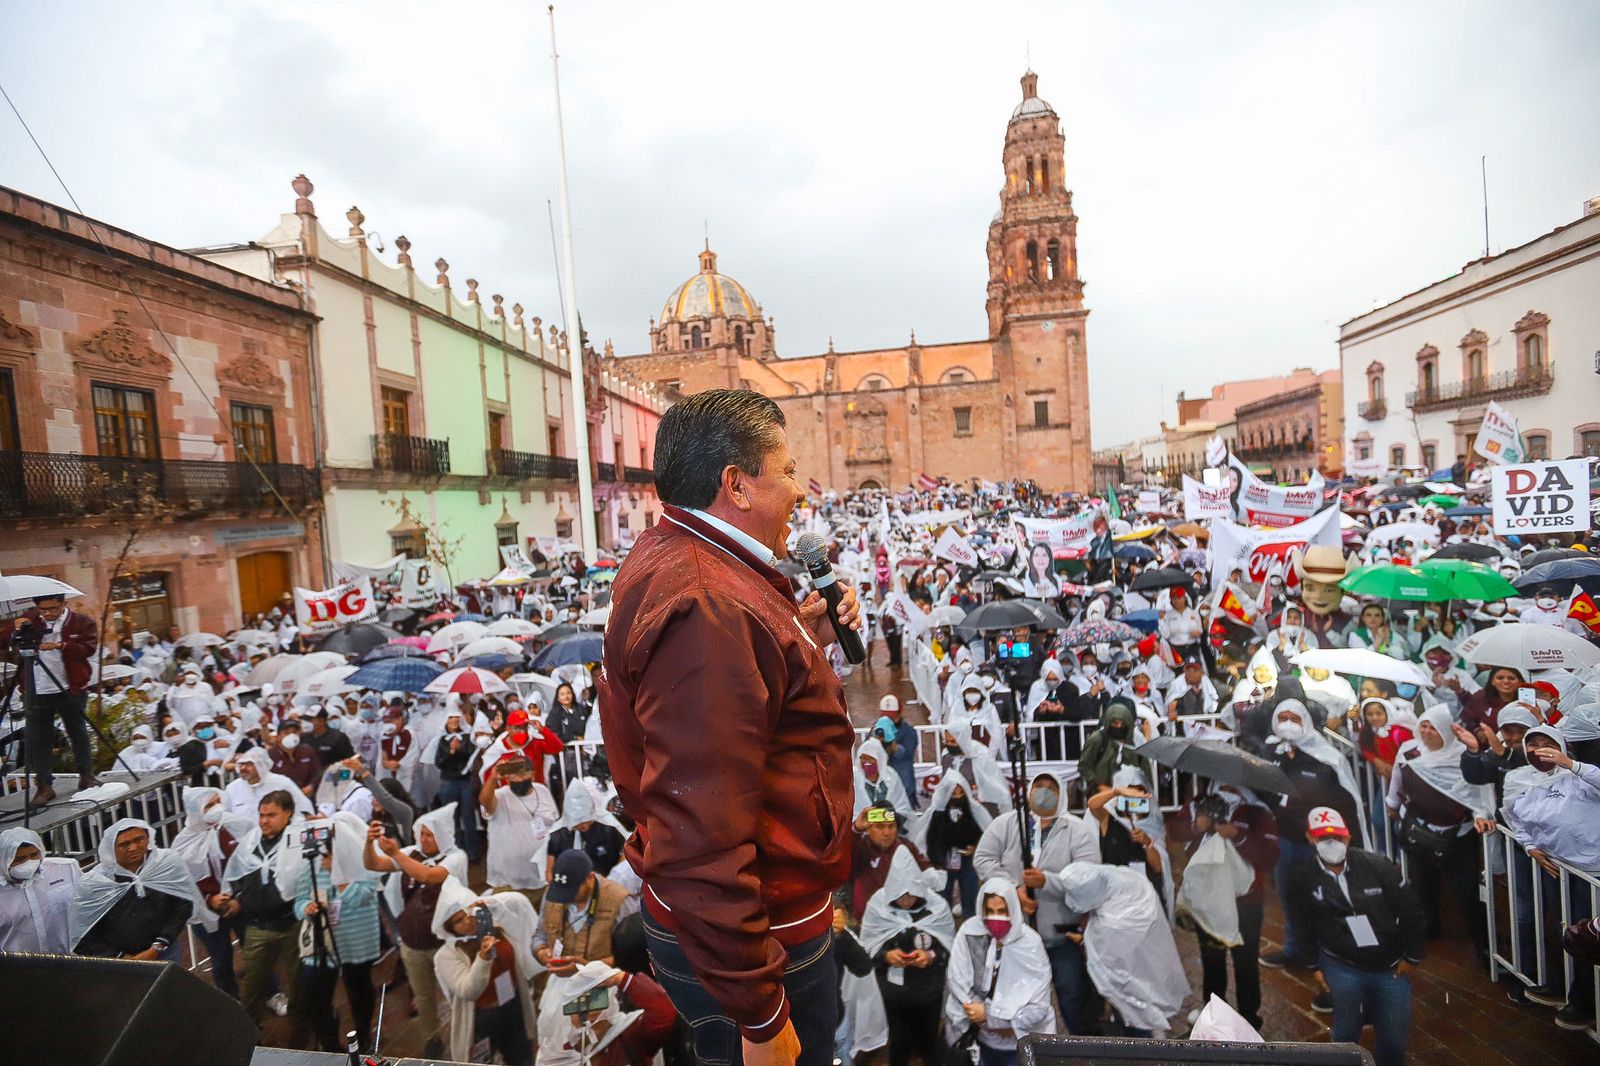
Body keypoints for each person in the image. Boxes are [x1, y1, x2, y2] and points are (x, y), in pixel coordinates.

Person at [600, 390, 860, 1065]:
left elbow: (733, 710)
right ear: (736, 485)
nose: (802, 491)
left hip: (747, 928)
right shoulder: (710, 604)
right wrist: (762, 1013)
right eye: (789, 470)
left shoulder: (690, 563)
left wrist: (805, 635)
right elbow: (701, 831)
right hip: (760, 944)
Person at [1286, 807, 1424, 1066]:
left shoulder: (1378, 866)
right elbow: (1301, 923)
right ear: (1309, 838)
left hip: (1390, 965)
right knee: (1346, 1035)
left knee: (1394, 1041)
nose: (1332, 844)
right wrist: (1312, 964)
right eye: (1323, 838)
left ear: (1348, 837)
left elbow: (1412, 912)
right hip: (1341, 965)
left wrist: (1413, 957)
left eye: (1338, 837)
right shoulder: (1301, 877)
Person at [972, 771, 1100, 1034]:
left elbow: (1089, 877)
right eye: (1038, 786)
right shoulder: (1007, 824)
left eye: (1050, 787)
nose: (1043, 791)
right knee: (1019, 999)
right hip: (1016, 938)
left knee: (1072, 995)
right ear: (1028, 791)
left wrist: (1047, 882)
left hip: (1061, 935)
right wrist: (1013, 887)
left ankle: (1081, 1046)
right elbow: (983, 858)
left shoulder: (1078, 830)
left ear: (1061, 793)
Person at [1501, 724, 1599, 1029]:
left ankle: (1584, 1004)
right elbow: (1514, 817)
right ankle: (1564, 988)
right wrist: (1530, 846)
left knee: (1586, 938)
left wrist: (1570, 763)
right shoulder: (1529, 784)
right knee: (1564, 931)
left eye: (1546, 744)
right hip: (1558, 870)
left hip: (1591, 874)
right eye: (1532, 745)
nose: (1538, 750)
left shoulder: (1579, 778)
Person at [1384, 705, 1494, 958]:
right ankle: (1429, 929)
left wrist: (1480, 814)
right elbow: (1397, 778)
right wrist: (1392, 804)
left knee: (1466, 891)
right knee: (1422, 885)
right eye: (1424, 725)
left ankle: (1483, 944)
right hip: (1419, 830)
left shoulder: (1461, 755)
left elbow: (1476, 790)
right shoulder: (1409, 750)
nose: (1427, 731)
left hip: (1457, 836)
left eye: (1434, 727)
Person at [1263, 698, 1363, 972]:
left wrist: (1348, 844)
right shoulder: (1273, 754)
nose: (1288, 724)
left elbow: (1348, 802)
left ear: (1306, 722)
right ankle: (1296, 952)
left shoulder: (1328, 759)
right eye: (1282, 718)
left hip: (1321, 843)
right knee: (1290, 897)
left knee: (1328, 903)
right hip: (1285, 840)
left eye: (1294, 719)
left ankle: (1334, 964)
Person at [365, 805, 468, 1058]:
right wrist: (369, 844)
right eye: (420, 834)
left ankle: (465, 1036)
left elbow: (430, 876)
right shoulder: (412, 853)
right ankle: (432, 1038)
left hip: (444, 943)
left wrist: (397, 855)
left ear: (443, 835)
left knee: (456, 994)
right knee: (423, 996)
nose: (423, 840)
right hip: (412, 942)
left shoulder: (455, 858)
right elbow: (374, 864)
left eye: (429, 835)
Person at [1175, 784, 1275, 1030]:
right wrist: (1197, 826)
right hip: (1208, 901)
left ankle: (1249, 1018)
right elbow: (1175, 832)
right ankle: (1214, 1012)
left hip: (1246, 903)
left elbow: (1270, 856)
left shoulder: (1257, 812)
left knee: (1246, 961)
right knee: (1211, 958)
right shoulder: (1200, 803)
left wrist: (1237, 836)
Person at [1057, 862, 1188, 1036]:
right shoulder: (1125, 879)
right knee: (1148, 993)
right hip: (1146, 953)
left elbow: (1102, 956)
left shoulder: (1111, 924)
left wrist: (1083, 939)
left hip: (1129, 975)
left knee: (1136, 1013)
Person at [294, 811, 383, 1052]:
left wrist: (339, 874)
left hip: (357, 937)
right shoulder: (311, 861)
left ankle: (363, 1037)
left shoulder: (366, 861)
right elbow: (299, 898)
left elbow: (363, 897)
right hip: (322, 939)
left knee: (359, 987)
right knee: (316, 997)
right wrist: (306, 907)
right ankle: (331, 1045)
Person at [1, 593, 100, 808]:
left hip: (70, 686)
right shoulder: (31, 621)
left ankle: (86, 775)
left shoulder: (82, 622)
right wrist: (14, 628)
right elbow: (4, 640)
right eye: (44, 609)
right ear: (37, 607)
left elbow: (89, 648)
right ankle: (44, 786)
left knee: (77, 731)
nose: (48, 613)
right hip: (37, 687)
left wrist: (62, 646)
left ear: (63, 604)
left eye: (53, 608)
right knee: (38, 738)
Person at [943, 877, 1055, 1066]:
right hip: (983, 1042)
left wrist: (991, 1016)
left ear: (1012, 909)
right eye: (990, 911)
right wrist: (974, 1012)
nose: (995, 918)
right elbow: (958, 979)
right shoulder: (972, 934)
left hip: (1021, 1045)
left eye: (1002, 911)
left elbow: (1038, 1005)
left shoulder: (1030, 943)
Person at [858, 848, 953, 1066]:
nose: (906, 900)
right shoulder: (878, 907)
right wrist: (886, 956)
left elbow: (949, 946)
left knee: (930, 1043)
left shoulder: (936, 908)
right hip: (894, 995)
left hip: (929, 991)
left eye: (911, 894)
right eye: (900, 895)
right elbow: (868, 947)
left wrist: (930, 956)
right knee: (899, 1043)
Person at [432, 877, 539, 1065]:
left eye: (469, 913)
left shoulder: (500, 930)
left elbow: (520, 904)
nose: (467, 921)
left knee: (523, 1059)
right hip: (483, 1019)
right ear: (451, 928)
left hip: (513, 1007)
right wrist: (482, 958)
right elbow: (468, 990)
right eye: (459, 920)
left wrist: (492, 903)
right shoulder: (447, 954)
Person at [219, 790, 301, 1028]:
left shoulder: (298, 842)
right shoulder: (252, 841)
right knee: (253, 984)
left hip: (291, 924)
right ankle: (250, 1033)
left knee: (298, 983)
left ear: (288, 813)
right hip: (256, 925)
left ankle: (300, 1030)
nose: (264, 820)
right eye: (262, 815)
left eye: (271, 815)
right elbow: (238, 876)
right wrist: (235, 899)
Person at [69, 818, 199, 960]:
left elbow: (183, 905)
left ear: (148, 839)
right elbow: (82, 935)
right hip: (116, 963)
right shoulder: (94, 884)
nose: (133, 848)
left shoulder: (165, 864)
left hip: (164, 951)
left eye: (139, 840)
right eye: (124, 845)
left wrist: (159, 945)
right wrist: (121, 957)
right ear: (110, 849)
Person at [171, 786, 253, 998]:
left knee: (256, 951)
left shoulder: (235, 826)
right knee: (221, 957)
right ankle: (230, 1000)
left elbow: (252, 864)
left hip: (241, 902)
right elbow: (183, 885)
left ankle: (271, 992)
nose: (216, 808)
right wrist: (210, 900)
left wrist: (237, 897)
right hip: (206, 909)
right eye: (208, 805)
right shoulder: (182, 844)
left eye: (217, 802)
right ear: (195, 811)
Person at [534, 849, 640, 976]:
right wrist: (541, 952)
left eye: (572, 891)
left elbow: (634, 956)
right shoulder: (551, 894)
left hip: (606, 985)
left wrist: (585, 968)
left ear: (590, 877)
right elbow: (539, 935)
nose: (566, 898)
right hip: (560, 983)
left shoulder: (620, 900)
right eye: (562, 892)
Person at [479, 755, 558, 908]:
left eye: (523, 773)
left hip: (540, 878)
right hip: (507, 882)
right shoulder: (501, 795)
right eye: (513, 774)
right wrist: (493, 778)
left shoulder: (542, 791)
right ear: (507, 777)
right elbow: (486, 802)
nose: (519, 778)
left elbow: (553, 824)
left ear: (532, 774)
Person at [0, 826, 80, 952]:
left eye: (34, 855)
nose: (29, 862)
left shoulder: (66, 869)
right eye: (20, 859)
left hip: (70, 962)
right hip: (19, 969)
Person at [847, 804, 928, 922]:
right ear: (868, 829)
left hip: (901, 919)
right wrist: (856, 830)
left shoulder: (906, 847)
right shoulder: (859, 848)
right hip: (868, 920)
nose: (887, 832)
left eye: (891, 826)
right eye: (879, 827)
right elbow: (840, 855)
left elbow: (927, 871)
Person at [226, 746, 313, 816]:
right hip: (244, 837)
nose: (243, 768)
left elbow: (304, 809)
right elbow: (227, 817)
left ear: (261, 765)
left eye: (249, 764)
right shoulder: (232, 788)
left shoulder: (282, 783)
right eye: (241, 764)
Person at [1077, 698, 1139, 795]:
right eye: (1115, 723)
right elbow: (1084, 765)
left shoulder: (1133, 739)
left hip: (1128, 792)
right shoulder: (1097, 738)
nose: (1119, 727)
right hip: (1102, 792)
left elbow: (1140, 767)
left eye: (1123, 724)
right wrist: (1098, 785)